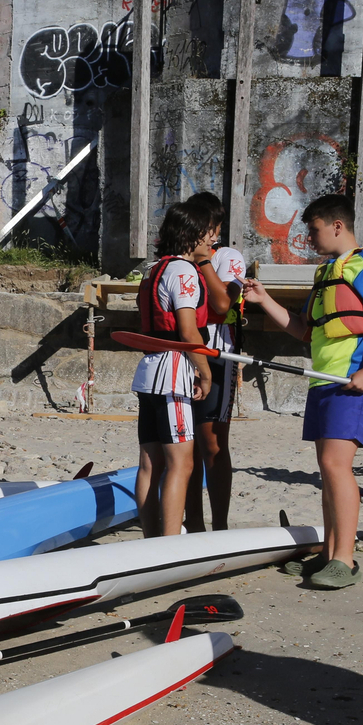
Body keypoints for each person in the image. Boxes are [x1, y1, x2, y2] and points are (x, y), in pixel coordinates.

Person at [242, 193, 363, 589]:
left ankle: (345, 560)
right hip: (324, 380)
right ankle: (330, 553)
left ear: (337, 226)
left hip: (354, 381)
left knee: (336, 466)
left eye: (313, 230)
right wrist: (264, 300)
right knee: (328, 469)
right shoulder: (326, 272)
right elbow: (304, 330)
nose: (309, 238)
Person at [131, 201, 212, 538]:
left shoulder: (153, 268)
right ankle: (168, 545)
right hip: (173, 372)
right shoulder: (183, 271)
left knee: (150, 463)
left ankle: (151, 540)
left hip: (148, 371)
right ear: (191, 236)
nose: (212, 241)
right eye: (208, 234)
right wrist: (205, 372)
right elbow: (188, 331)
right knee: (182, 462)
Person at [183, 191, 247, 532]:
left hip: (219, 354)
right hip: (182, 356)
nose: (206, 234)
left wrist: (204, 260)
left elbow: (225, 304)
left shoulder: (228, 256)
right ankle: (193, 523)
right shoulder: (177, 259)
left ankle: (219, 525)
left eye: (210, 228)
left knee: (212, 443)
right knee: (186, 445)